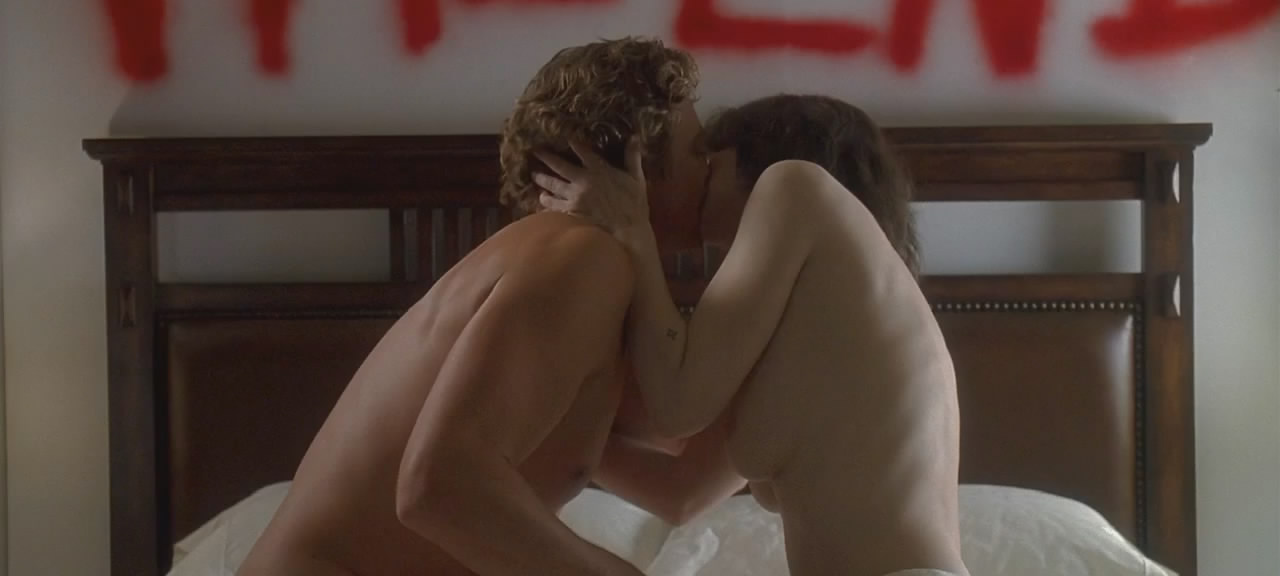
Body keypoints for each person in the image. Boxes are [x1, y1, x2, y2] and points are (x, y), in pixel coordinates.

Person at [237, 37, 745, 576]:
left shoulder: (595, 282)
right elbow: (437, 487)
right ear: (638, 160)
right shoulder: (581, 261)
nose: (711, 170)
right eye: (697, 152)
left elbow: (685, 481)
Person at [535, 94, 969, 576]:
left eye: (710, 163)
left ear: (759, 156)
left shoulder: (794, 183)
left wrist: (632, 230)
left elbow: (676, 405)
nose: (698, 180)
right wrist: (545, 427)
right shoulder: (816, 333)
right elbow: (682, 489)